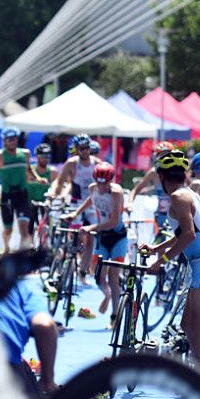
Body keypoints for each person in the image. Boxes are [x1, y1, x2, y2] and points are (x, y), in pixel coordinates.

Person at [143, 150, 200, 380]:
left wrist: (163, 261)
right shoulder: (187, 193)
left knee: (198, 329)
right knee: (188, 326)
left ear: (161, 177)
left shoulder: (179, 198)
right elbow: (184, 233)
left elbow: (188, 235)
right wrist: (156, 249)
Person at [67, 162, 127, 325]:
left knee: (113, 277)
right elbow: (90, 200)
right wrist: (76, 213)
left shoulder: (116, 193)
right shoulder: (93, 188)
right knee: (98, 276)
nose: (101, 186)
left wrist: (91, 227)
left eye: (105, 182)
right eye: (99, 182)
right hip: (102, 237)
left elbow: (114, 221)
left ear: (110, 181)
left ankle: (115, 315)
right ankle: (106, 295)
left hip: (117, 237)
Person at [0, 127, 40, 254]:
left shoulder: (25, 153)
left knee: (24, 228)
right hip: (7, 195)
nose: (12, 142)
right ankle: (6, 248)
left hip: (22, 194)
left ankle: (22, 256)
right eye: (9, 139)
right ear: (4, 141)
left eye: (14, 139)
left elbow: (29, 169)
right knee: (9, 229)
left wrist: (38, 178)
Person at [53, 134, 100, 275]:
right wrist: (56, 196)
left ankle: (83, 271)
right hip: (76, 203)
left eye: (86, 148)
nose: (84, 151)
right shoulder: (72, 163)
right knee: (76, 237)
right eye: (81, 149)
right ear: (76, 149)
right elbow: (60, 182)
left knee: (91, 238)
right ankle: (69, 260)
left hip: (92, 205)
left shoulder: (97, 163)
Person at [126, 141, 176, 231]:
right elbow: (135, 190)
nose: (165, 159)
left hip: (177, 214)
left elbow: (191, 189)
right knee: (159, 242)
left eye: (167, 156)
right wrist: (130, 203)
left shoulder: (179, 171)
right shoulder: (154, 172)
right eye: (161, 156)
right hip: (161, 215)